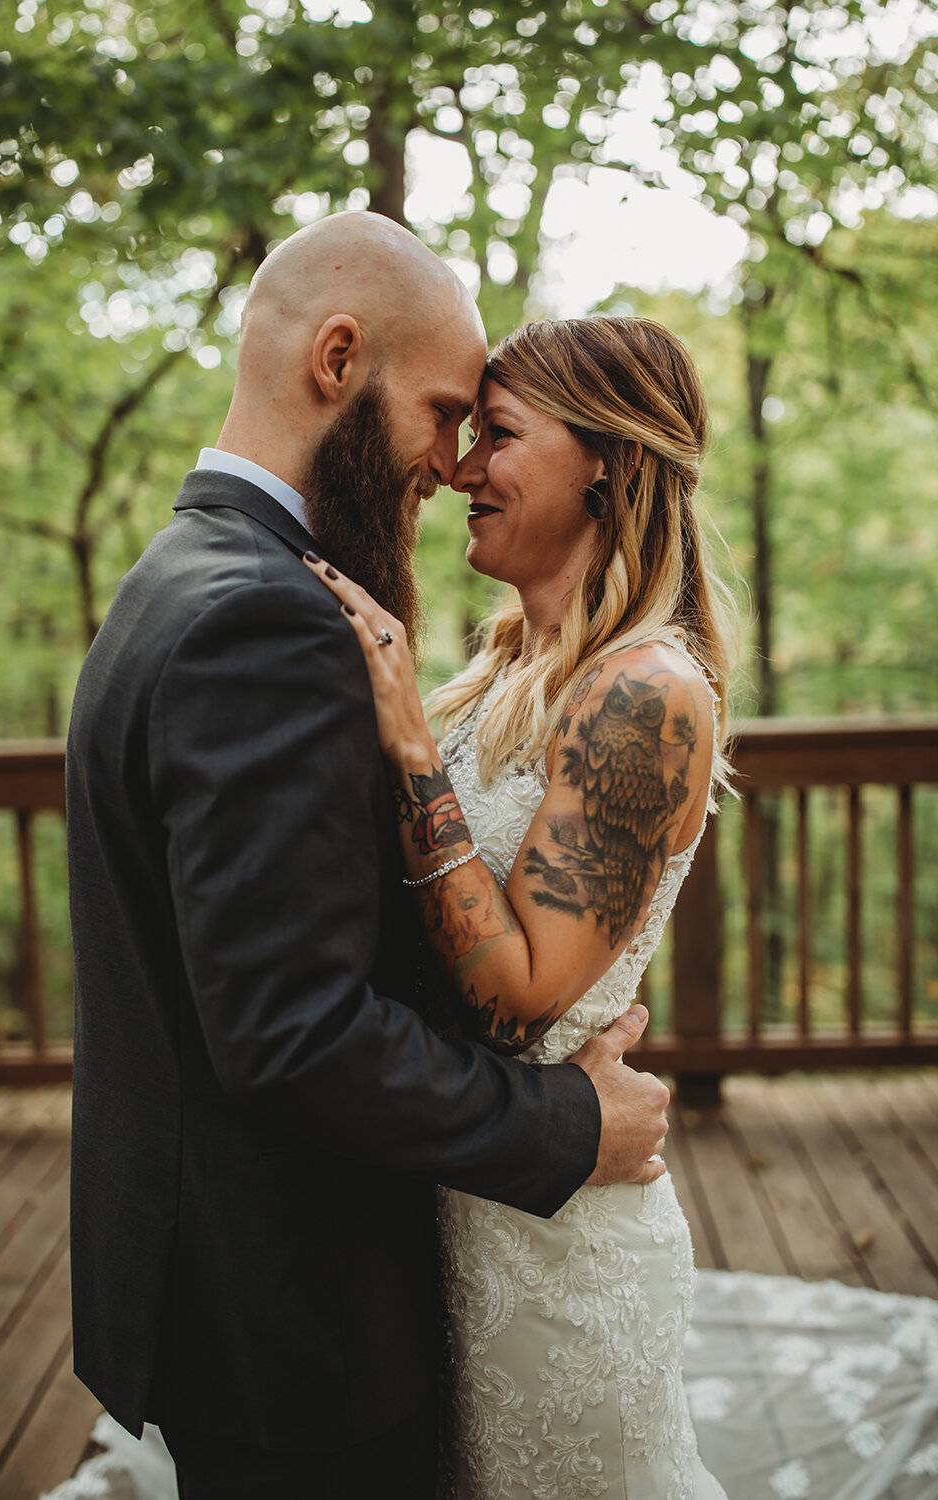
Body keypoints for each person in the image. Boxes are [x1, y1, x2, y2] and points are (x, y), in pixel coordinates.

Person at [65, 213, 673, 1500]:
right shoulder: (266, 618)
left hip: (240, 1288)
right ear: (337, 360)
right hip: (297, 1318)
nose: (450, 465)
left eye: (486, 430)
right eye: (448, 413)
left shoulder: (182, 574)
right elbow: (290, 1032)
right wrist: (568, 1122)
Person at [306, 312, 734, 1497]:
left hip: (561, 1254)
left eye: (495, 434)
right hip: (451, 1208)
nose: (458, 469)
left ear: (612, 462)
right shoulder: (496, 675)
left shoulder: (645, 694)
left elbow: (510, 1002)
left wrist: (401, 743)